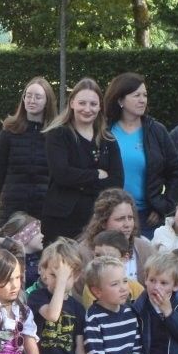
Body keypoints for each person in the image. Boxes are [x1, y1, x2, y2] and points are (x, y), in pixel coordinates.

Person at [42, 79, 123, 242]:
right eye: (82, 103)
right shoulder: (58, 135)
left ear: (100, 106)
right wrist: (96, 175)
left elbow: (117, 181)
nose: (87, 109)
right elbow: (62, 174)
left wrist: (78, 181)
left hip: (98, 220)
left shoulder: (108, 139)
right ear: (72, 103)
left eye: (93, 104)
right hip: (62, 222)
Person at [102, 72, 178, 231]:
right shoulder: (105, 130)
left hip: (146, 217)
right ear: (120, 100)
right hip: (108, 215)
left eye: (145, 95)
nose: (142, 100)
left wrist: (162, 206)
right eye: (136, 95)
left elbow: (175, 172)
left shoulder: (156, 131)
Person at [0, 78, 55, 227]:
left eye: (38, 97)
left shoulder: (55, 134)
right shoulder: (9, 131)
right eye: (28, 95)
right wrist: (10, 196)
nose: (31, 100)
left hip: (44, 208)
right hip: (12, 208)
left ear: (47, 101)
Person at [78, 189, 153, 285]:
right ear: (103, 222)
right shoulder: (84, 253)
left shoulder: (145, 249)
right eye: (120, 219)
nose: (127, 224)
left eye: (130, 218)